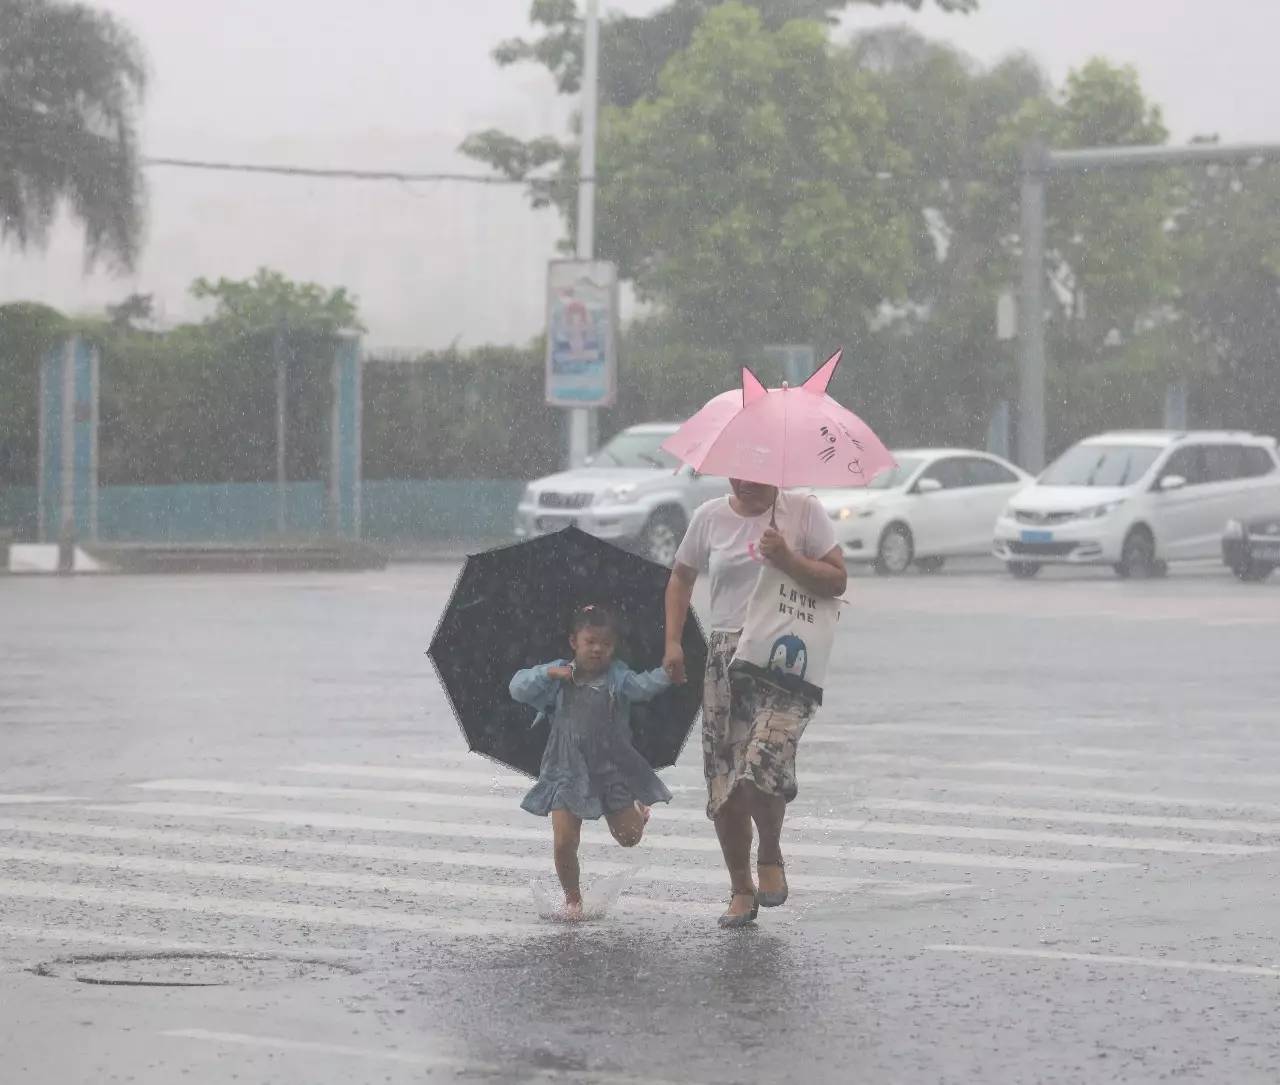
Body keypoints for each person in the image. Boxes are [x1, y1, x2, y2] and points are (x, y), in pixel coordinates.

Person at [663, 480, 845, 928]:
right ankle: (741, 888)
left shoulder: (804, 511)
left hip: (783, 657)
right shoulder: (709, 516)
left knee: (762, 763)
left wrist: (787, 558)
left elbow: (837, 579)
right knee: (725, 784)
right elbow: (681, 577)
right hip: (725, 657)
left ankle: (770, 852)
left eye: (754, 470)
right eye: (735, 470)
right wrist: (672, 641)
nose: (743, 481)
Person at [510, 604, 673, 919]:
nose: (598, 649)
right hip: (565, 768)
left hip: (610, 769)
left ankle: (638, 810)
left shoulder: (617, 676)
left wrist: (666, 673)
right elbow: (516, 688)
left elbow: (642, 688)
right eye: (590, 642)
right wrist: (549, 673)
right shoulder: (559, 673)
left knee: (629, 838)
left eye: (606, 644)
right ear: (574, 642)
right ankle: (573, 899)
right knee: (564, 841)